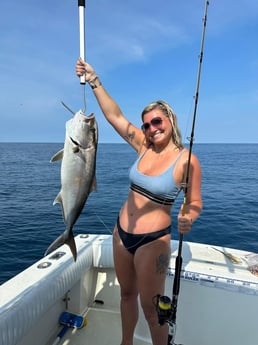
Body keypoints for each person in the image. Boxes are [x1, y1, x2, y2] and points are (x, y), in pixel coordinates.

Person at [76, 58, 202, 345]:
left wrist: (189, 217)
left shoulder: (187, 160)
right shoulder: (143, 146)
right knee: (125, 295)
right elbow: (115, 117)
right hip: (121, 235)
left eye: (156, 121)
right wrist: (94, 80)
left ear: (170, 119)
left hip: (152, 241)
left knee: (151, 307)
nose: (151, 128)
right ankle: (126, 343)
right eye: (146, 124)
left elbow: (195, 201)